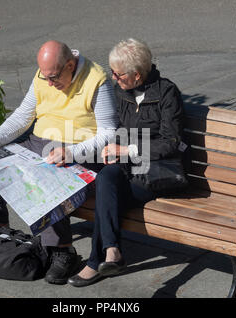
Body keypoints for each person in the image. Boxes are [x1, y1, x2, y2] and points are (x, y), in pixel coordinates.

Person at [0, 40, 118, 285]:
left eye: (54, 77)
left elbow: (109, 134)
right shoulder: (45, 74)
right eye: (45, 77)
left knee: (46, 177)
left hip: (77, 151)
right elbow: (22, 117)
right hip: (38, 143)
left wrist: (72, 153)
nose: (48, 83)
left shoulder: (97, 79)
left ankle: (63, 250)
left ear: (70, 65)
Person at [67, 38, 188, 287]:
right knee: (105, 179)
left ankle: (95, 262)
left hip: (156, 172)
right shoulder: (122, 91)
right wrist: (110, 148)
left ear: (137, 74)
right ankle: (111, 251)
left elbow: (171, 142)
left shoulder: (167, 93)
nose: (113, 78)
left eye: (118, 74)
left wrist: (129, 150)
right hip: (127, 167)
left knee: (105, 195)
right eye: (112, 72)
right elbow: (119, 128)